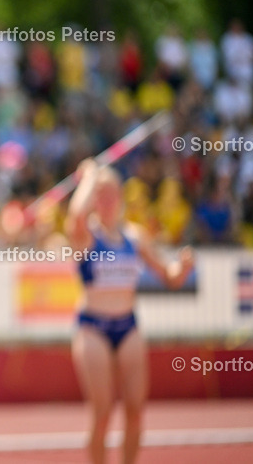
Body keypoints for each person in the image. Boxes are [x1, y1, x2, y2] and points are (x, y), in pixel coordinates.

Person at [65, 159, 195, 464]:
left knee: (135, 410)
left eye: (112, 194)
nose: (107, 202)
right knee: (103, 412)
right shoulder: (85, 237)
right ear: (93, 199)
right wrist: (91, 176)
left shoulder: (135, 239)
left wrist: (184, 266)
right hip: (92, 328)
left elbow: (170, 277)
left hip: (127, 325)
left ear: (121, 198)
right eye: (100, 195)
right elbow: (75, 215)